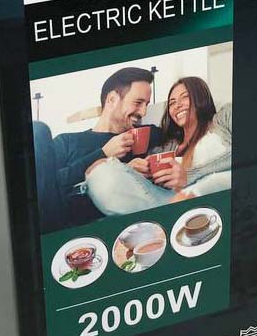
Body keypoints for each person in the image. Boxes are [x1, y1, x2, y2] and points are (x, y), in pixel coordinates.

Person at [86, 76, 231, 216]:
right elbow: (147, 189)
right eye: (172, 103)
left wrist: (189, 175)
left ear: (201, 96)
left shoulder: (223, 118)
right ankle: (169, 215)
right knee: (100, 170)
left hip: (213, 196)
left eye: (185, 97)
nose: (177, 105)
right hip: (167, 202)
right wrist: (132, 170)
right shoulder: (165, 147)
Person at [51, 67, 159, 225]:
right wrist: (103, 153)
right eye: (138, 103)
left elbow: (181, 131)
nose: (143, 112)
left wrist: (129, 174)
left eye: (146, 104)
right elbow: (50, 186)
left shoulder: (145, 135)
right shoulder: (66, 142)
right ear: (112, 99)